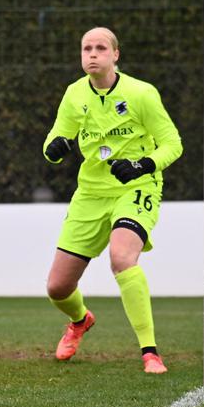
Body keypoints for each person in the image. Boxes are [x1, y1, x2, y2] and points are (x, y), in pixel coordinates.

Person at [42, 27, 182, 374]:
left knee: (121, 258)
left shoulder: (141, 93)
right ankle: (80, 320)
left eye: (100, 48)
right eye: (86, 48)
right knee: (58, 287)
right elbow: (55, 139)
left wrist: (142, 165)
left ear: (115, 55)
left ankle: (150, 352)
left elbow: (173, 143)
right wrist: (54, 149)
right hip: (90, 194)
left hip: (137, 188)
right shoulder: (75, 94)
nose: (92, 54)